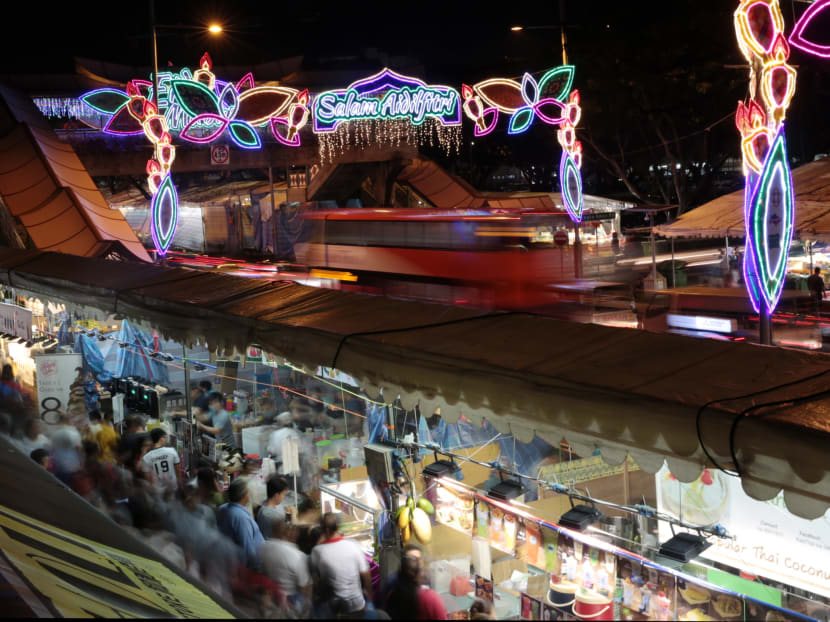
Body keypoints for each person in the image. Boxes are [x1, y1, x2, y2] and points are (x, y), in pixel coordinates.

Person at [310, 512, 373, 618]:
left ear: (324, 530)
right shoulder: (353, 545)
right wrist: (369, 596)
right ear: (338, 527)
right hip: (357, 606)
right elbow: (366, 575)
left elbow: (316, 581)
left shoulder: (317, 551)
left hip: (333, 608)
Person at [260, 518, 312, 616]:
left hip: (272, 595)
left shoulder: (263, 546)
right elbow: (305, 588)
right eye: (290, 528)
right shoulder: (297, 556)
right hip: (291, 598)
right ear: (287, 532)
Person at [383, 543, 446, 620]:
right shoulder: (430, 598)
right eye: (412, 560)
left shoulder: (391, 593)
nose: (418, 563)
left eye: (419, 559)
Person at [216, 478, 264, 570]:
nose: (249, 495)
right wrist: (255, 569)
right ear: (244, 496)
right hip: (244, 569)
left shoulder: (222, 508)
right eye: (248, 492)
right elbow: (247, 550)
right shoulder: (241, 518)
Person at [142, 428, 181, 493]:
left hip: (157, 491)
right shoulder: (172, 451)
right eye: (165, 437)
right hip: (172, 487)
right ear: (161, 438)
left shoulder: (146, 457)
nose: (166, 440)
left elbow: (148, 478)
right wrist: (180, 485)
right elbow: (178, 471)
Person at [51, 412, 83, 486]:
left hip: (58, 465)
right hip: (72, 465)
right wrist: (82, 464)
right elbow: (79, 448)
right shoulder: (71, 432)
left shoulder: (54, 432)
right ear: (67, 420)